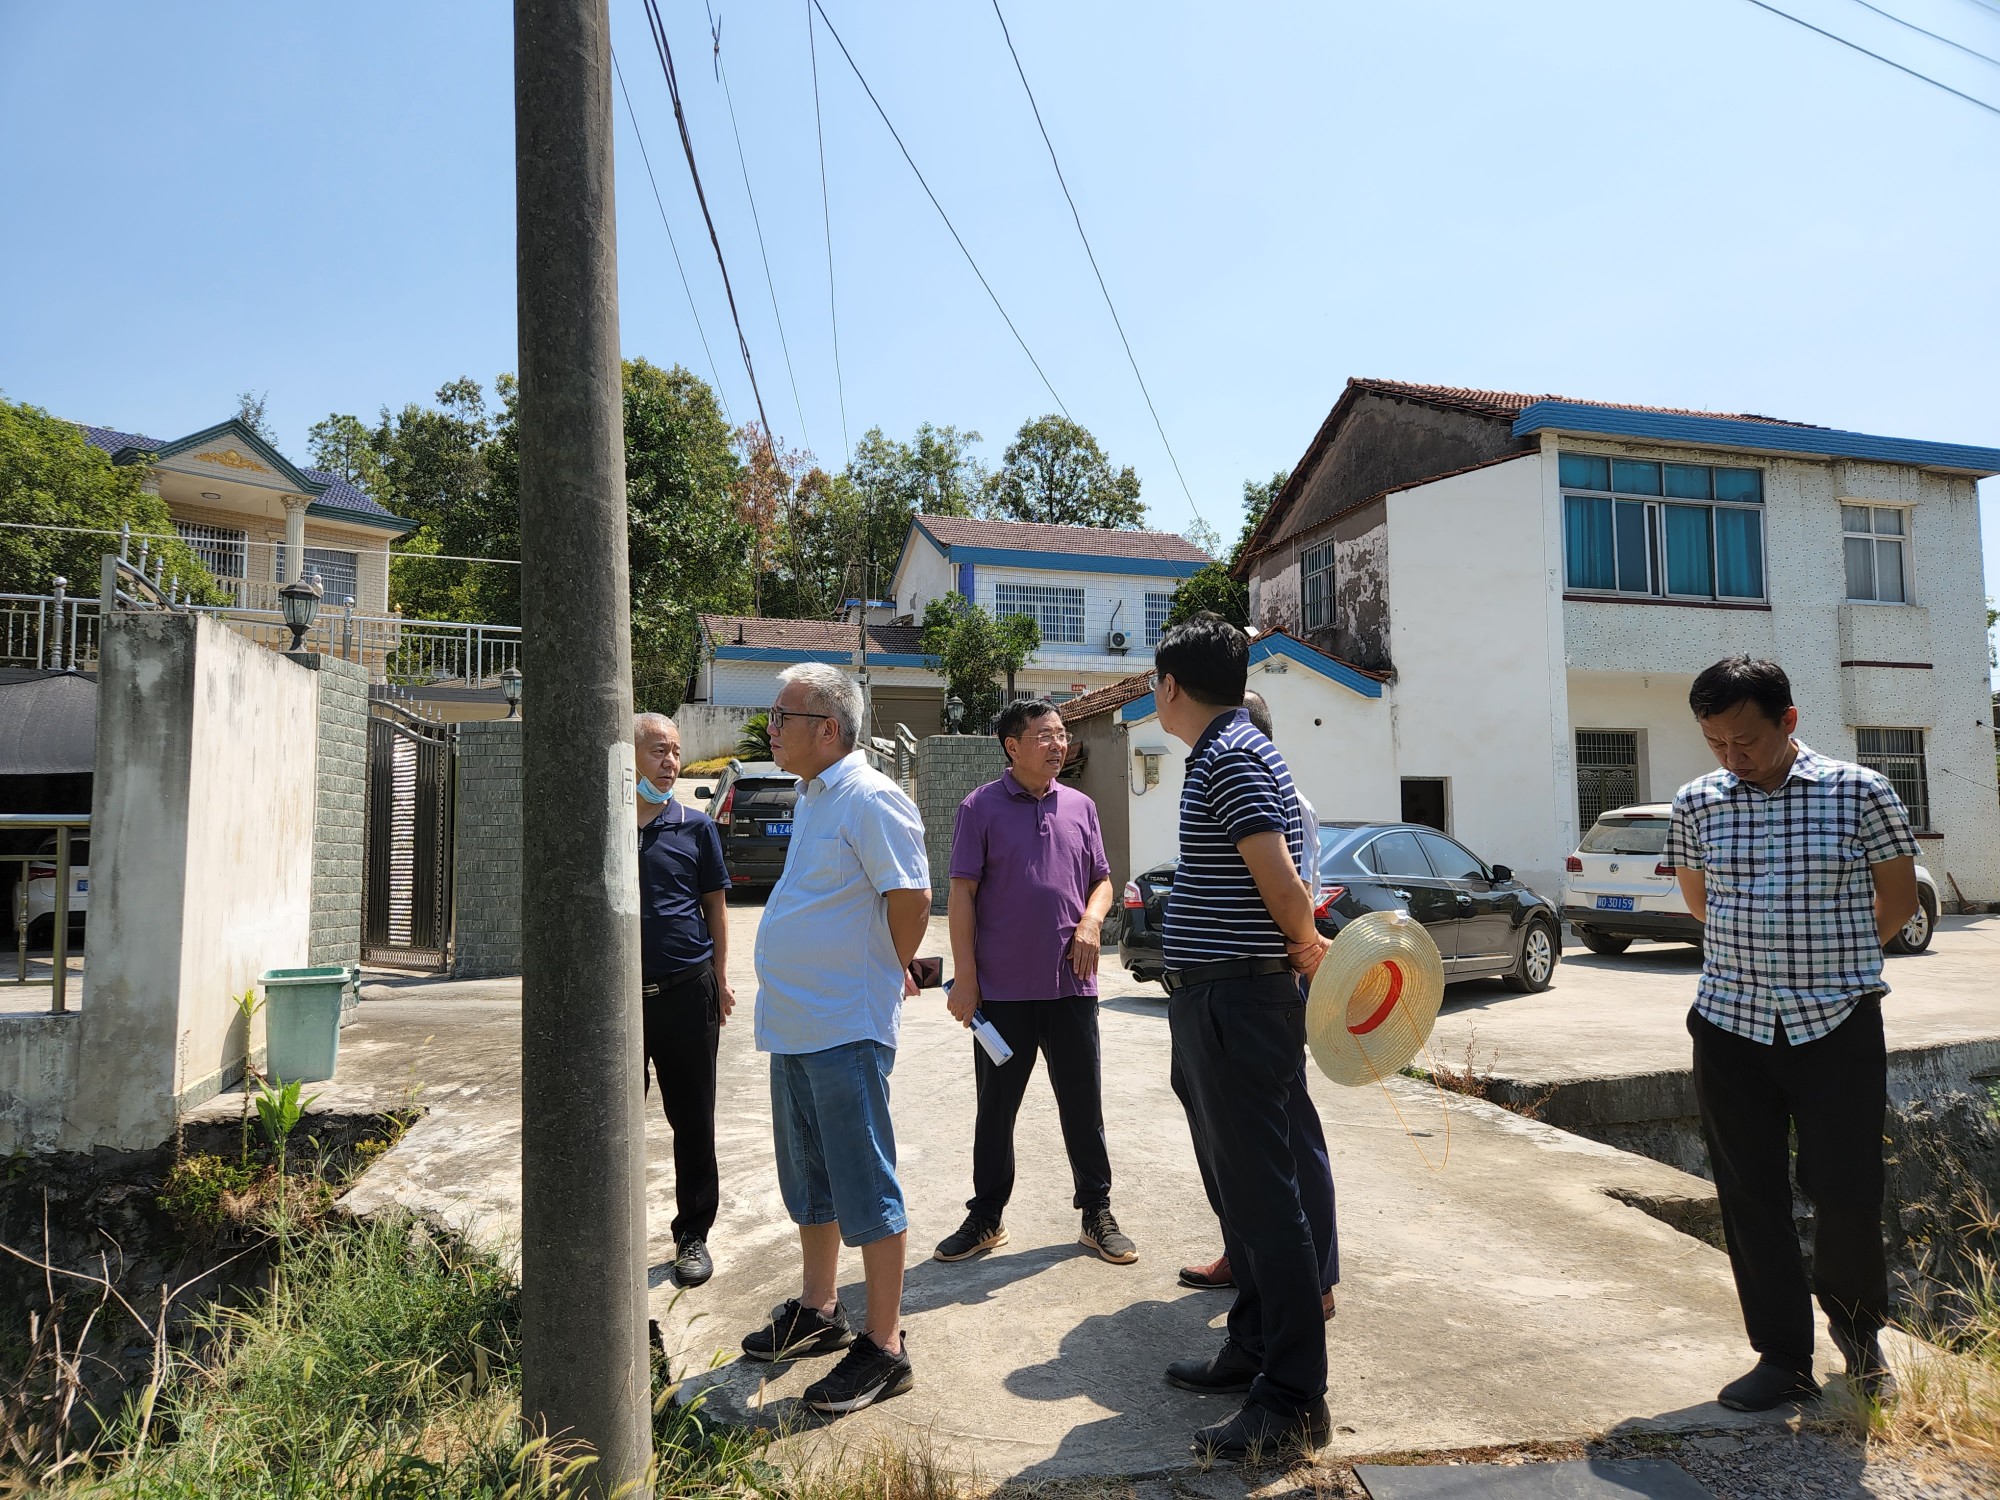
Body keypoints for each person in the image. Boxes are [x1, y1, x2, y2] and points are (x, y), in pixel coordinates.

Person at [1664, 656, 1919, 1410]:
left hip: (1837, 1021)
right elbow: (1700, 901)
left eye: (1745, 740)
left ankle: (1858, 1333)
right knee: (1750, 1190)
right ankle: (1782, 1356)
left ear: (1789, 720)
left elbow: (1899, 900)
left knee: (1846, 1187)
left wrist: (1831, 964)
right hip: (1730, 1021)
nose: (1731, 756)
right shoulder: (1697, 802)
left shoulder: (1860, 791)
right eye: (1716, 743)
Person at [1152, 613, 1332, 1458]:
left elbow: (1281, 880)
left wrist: (1307, 947)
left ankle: (1294, 1397)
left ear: (1170, 687)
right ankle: (1255, 1345)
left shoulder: (1229, 756)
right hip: (1220, 998)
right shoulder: (1231, 752)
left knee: (1265, 1199)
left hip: (1239, 1000)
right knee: (1245, 1193)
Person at [738, 662, 932, 1415]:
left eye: (781, 716)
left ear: (828, 728)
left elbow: (911, 896)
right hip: (796, 1024)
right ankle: (820, 1308)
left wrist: (885, 968)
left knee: (864, 1185)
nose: (770, 728)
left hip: (844, 1024)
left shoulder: (870, 796)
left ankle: (885, 1346)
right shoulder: (816, 795)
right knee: (811, 1180)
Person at [933, 699, 1135, 1267]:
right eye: (1045, 735)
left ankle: (1096, 1212)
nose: (1058, 744)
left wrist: (1092, 921)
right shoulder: (980, 807)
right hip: (1002, 994)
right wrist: (966, 980)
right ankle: (986, 1216)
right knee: (996, 1110)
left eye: (1062, 734)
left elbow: (1102, 881)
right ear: (1012, 746)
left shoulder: (1081, 806)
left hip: (1072, 988)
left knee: (1083, 1105)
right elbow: (962, 894)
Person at [1177, 689, 1338, 1319]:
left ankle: (1311, 1281)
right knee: (1229, 1136)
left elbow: (1293, 890)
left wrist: (1305, 948)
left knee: (1285, 1136)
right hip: (1214, 989)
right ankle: (1246, 1256)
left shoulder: (1253, 777)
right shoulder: (1228, 770)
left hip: (1257, 986)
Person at [633, 712, 734, 1288]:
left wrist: (720, 979)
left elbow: (715, 908)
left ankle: (692, 1234)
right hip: (620, 1003)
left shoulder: (696, 829)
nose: (670, 762)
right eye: (658, 750)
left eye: (675, 751)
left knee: (693, 1119)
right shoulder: (606, 825)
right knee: (614, 1118)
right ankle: (611, 1230)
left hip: (686, 992)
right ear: (628, 755)